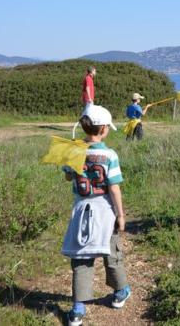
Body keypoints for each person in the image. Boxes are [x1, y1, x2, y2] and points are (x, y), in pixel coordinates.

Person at [61, 105, 131, 326]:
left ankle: (78, 309)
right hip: (105, 212)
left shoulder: (73, 150)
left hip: (81, 209)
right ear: (103, 129)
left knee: (82, 256)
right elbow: (114, 187)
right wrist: (120, 214)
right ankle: (121, 291)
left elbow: (67, 178)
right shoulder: (109, 154)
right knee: (111, 252)